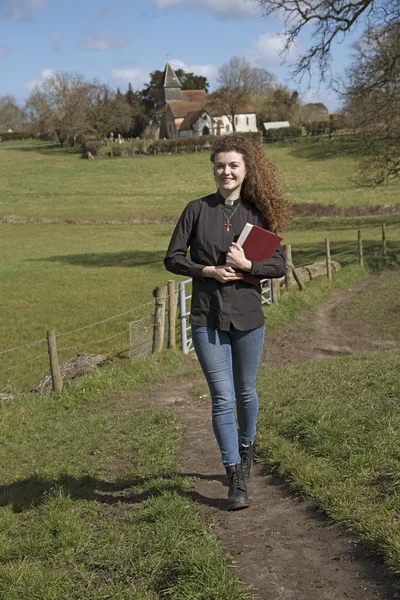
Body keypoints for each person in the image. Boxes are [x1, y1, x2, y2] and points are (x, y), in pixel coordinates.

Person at [164, 133, 291, 510]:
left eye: (234, 165)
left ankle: (247, 446)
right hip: (207, 317)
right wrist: (207, 270)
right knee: (222, 399)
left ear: (246, 169)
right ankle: (235, 475)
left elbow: (279, 266)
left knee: (246, 392)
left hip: (249, 317)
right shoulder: (196, 210)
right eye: (220, 165)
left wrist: (247, 266)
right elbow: (172, 258)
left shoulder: (259, 214)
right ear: (213, 169)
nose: (226, 171)